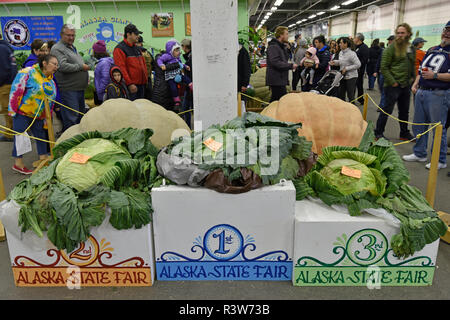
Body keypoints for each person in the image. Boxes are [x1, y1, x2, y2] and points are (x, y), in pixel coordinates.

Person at [402, 21, 450, 170]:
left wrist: (435, 75)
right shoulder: (432, 49)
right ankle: (419, 152)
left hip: (439, 93)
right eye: (446, 30)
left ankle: (439, 160)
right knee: (419, 125)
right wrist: (416, 83)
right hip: (422, 91)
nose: (447, 33)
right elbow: (421, 70)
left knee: (438, 129)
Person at [8, 54, 57, 174]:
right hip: (22, 112)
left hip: (39, 115)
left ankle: (43, 159)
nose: (56, 66)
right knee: (20, 137)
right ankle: (18, 164)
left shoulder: (50, 79)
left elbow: (50, 100)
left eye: (57, 64)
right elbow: (16, 90)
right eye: (54, 64)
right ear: (45, 63)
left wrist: (47, 116)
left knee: (41, 136)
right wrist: (12, 111)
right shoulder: (27, 72)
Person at [374, 23, 416, 141]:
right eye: (398, 33)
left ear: (408, 34)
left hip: (406, 85)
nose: (400, 35)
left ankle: (404, 133)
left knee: (404, 111)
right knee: (386, 110)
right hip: (393, 85)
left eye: (402, 33)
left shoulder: (411, 48)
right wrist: (393, 82)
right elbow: (384, 67)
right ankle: (378, 133)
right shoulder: (391, 48)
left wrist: (413, 79)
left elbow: (412, 64)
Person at [51, 24, 89, 132]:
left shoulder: (72, 47)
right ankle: (69, 143)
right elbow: (62, 66)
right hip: (68, 90)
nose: (71, 38)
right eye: (68, 35)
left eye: (73, 35)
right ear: (62, 34)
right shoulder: (57, 48)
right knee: (71, 119)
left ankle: (78, 143)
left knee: (79, 117)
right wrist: (81, 66)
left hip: (78, 89)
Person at [113, 24, 148, 101]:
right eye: (135, 34)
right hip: (131, 87)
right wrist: (130, 84)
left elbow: (143, 65)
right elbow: (121, 69)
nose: (138, 36)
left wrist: (146, 81)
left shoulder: (137, 48)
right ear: (128, 34)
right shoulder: (119, 49)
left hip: (141, 85)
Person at [157, 40, 192, 109]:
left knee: (186, 79)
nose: (178, 52)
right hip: (170, 76)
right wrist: (161, 65)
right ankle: (176, 101)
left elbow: (181, 63)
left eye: (179, 50)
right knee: (173, 87)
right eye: (176, 50)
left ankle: (193, 87)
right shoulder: (167, 56)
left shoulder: (177, 58)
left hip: (177, 74)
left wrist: (186, 66)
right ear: (171, 51)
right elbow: (159, 60)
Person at [266, 26, 298, 102]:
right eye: (286, 34)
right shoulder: (273, 47)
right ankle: (268, 113)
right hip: (276, 79)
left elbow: (284, 59)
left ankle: (269, 113)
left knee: (276, 101)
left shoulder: (280, 47)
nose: (288, 36)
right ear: (281, 35)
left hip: (279, 79)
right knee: (279, 101)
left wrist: (287, 49)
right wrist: (291, 66)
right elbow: (275, 62)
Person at [329, 37, 361, 103]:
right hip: (342, 76)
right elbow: (342, 62)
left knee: (350, 96)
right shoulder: (341, 52)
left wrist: (346, 68)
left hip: (351, 77)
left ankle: (352, 111)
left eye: (341, 43)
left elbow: (358, 64)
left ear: (346, 44)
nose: (339, 44)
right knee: (341, 94)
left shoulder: (352, 54)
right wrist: (335, 62)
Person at [0, 34, 17, 142]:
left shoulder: (1, 48)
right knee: (9, 109)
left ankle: (10, 134)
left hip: (5, 84)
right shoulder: (6, 47)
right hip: (10, 83)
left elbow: (4, 69)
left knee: (7, 110)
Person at [374, 35, 395, 110]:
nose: (389, 41)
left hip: (388, 74)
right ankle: (384, 104)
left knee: (385, 91)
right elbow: (379, 61)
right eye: (389, 40)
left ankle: (382, 106)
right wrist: (376, 71)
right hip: (381, 73)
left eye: (390, 40)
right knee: (381, 89)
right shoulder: (384, 51)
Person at [93, 40, 114, 104]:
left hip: (104, 94)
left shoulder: (104, 63)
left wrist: (99, 91)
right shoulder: (105, 61)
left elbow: (106, 78)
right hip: (104, 93)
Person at [136, 36, 154, 100]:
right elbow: (153, 65)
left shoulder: (133, 53)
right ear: (141, 43)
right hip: (148, 79)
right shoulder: (148, 53)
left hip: (137, 81)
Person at [354, 33, 369, 104]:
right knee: (353, 85)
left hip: (359, 70)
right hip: (353, 69)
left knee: (359, 85)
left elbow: (364, 60)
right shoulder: (355, 46)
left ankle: (361, 99)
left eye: (355, 38)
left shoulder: (364, 47)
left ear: (359, 39)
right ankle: (352, 98)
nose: (354, 39)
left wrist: (357, 66)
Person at [181, 38, 193, 127]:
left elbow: (189, 72)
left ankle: (188, 126)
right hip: (189, 86)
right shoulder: (190, 56)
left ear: (185, 47)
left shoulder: (190, 58)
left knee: (186, 108)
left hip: (190, 86)